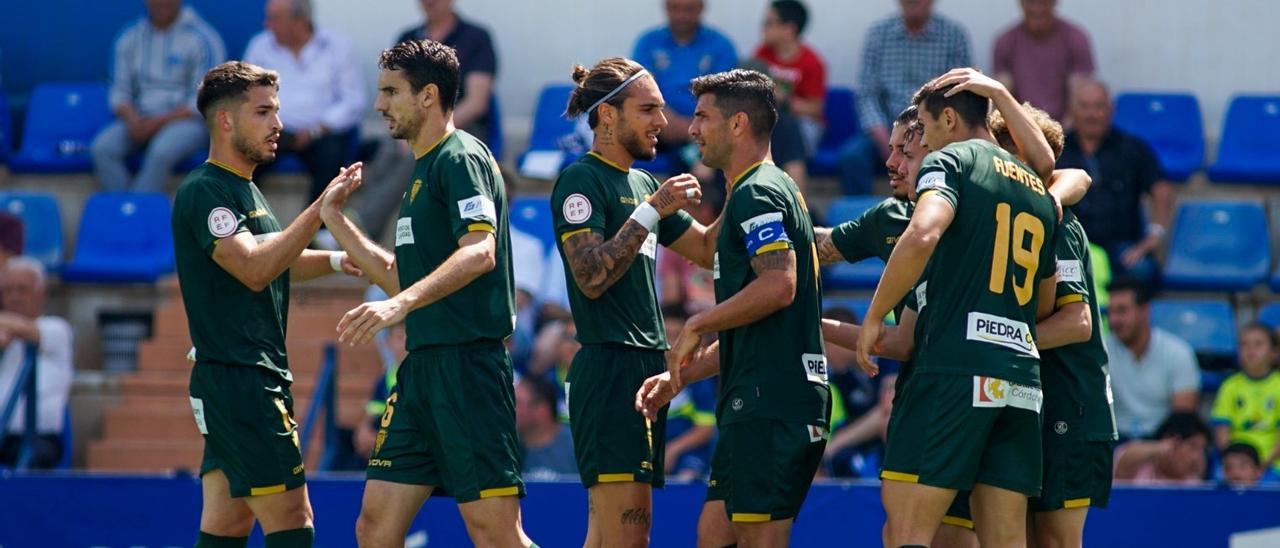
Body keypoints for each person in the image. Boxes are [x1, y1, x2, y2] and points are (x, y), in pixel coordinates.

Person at [316, 40, 534, 548]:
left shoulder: (461, 158)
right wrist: (334, 220)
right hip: (420, 375)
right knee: (374, 530)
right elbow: (401, 279)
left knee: (498, 538)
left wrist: (401, 304)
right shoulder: (422, 171)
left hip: (469, 371)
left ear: (428, 96)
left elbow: (480, 251)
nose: (378, 105)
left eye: (391, 92)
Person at [855, 71, 1059, 548]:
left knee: (907, 532)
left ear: (948, 119)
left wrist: (873, 314)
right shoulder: (1035, 185)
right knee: (1007, 541)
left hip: (957, 370)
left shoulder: (950, 161)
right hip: (1022, 379)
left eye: (924, 128)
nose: (921, 140)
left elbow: (923, 232)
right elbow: (1045, 302)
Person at [638, 68, 830, 547]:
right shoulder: (758, 187)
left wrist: (698, 323)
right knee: (714, 533)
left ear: (738, 124)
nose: (693, 128)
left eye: (703, 117)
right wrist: (679, 375)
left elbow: (780, 285)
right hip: (760, 395)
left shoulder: (758, 191)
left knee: (759, 538)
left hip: (771, 401)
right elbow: (714, 259)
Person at [175, 60, 362, 548]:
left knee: (228, 522)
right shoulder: (206, 190)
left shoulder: (245, 189)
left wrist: (342, 260)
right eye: (264, 112)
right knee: (292, 520)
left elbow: (276, 258)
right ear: (226, 120)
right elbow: (255, 269)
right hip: (242, 382)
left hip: (241, 378)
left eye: (277, 112)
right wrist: (320, 210)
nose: (279, 124)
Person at [550, 57, 718, 548]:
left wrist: (748, 175)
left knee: (611, 536)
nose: (662, 123)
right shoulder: (581, 180)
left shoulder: (644, 184)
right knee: (629, 535)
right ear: (607, 116)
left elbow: (706, 249)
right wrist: (652, 211)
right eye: (648, 109)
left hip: (644, 367)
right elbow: (591, 278)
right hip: (609, 370)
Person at [989, 102, 1116, 548]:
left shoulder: (1057, 225)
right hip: (1027, 401)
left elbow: (1076, 323)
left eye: (1000, 154)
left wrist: (995, 343)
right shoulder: (1008, 223)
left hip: (1070, 404)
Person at [91, 0, 225, 192]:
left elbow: (203, 100)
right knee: (102, 149)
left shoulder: (203, 39)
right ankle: (124, 210)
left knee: (161, 152)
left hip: (186, 122)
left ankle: (137, 214)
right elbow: (119, 91)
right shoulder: (130, 37)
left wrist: (158, 122)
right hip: (140, 118)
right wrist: (131, 119)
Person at [840, 0, 971, 195]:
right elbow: (866, 95)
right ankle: (864, 220)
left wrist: (927, 135)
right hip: (884, 130)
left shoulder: (954, 36)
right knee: (852, 158)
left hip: (934, 130)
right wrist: (889, 141)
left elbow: (959, 94)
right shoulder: (879, 35)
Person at [245, 0, 366, 203]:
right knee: (244, 152)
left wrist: (317, 129)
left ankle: (317, 228)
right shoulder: (260, 46)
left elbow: (353, 100)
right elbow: (246, 95)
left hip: (321, 133)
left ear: (299, 21)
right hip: (273, 130)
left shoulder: (337, 47)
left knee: (332, 156)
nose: (267, 24)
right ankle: (245, 222)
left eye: (275, 18)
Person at [1056, 78, 1172, 282]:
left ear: (1111, 109)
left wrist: (1154, 237)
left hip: (1122, 249)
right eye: (1084, 107)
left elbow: (1162, 190)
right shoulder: (1057, 150)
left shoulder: (1132, 148)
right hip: (1072, 247)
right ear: (1072, 110)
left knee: (1143, 269)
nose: (1091, 114)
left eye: (1099, 106)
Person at [633, 0, 739, 170]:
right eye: (675, 8)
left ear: (701, 8)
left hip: (707, 128)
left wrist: (696, 125)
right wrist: (663, 118)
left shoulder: (721, 46)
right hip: (658, 125)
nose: (681, 16)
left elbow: (724, 96)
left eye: (689, 9)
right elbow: (638, 90)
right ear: (666, 7)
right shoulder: (647, 43)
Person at [1105, 277, 1200, 439]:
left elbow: (1182, 418)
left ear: (1144, 310)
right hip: (1114, 440)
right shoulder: (1100, 352)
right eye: (1110, 312)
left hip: (1163, 442)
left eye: (1121, 311)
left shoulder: (1178, 352)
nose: (1114, 320)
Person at [0, 257, 72, 469]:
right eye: (7, 290)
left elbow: (27, 331)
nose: (14, 297)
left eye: (22, 290)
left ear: (42, 294)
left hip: (38, 440)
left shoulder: (57, 329)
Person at [395, 0, 498, 142]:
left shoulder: (475, 38)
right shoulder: (407, 39)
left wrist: (433, 129)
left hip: (461, 128)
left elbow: (476, 103)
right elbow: (393, 94)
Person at [751, 0, 825, 189]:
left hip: (800, 124)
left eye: (769, 23)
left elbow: (815, 109)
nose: (762, 28)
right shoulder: (762, 54)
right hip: (770, 122)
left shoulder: (811, 62)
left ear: (789, 29)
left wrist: (783, 100)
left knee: (786, 125)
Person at [992, 0, 1095, 121]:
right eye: (1032, 2)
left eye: (1043, 2)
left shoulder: (1075, 39)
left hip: (1066, 128)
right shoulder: (1006, 42)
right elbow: (1002, 98)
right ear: (1021, 3)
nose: (1037, 8)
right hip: (1020, 125)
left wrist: (1062, 133)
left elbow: (1079, 98)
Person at [1211, 323, 1280, 474]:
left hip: (1273, 464)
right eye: (1244, 345)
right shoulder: (1230, 386)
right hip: (1235, 462)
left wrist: (1262, 465)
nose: (1251, 350)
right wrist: (1233, 463)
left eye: (1258, 344)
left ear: (1274, 352)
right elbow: (1222, 430)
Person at [1113, 412, 1209, 484]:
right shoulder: (1139, 465)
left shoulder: (1192, 483)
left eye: (1202, 449)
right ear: (1169, 441)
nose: (1197, 457)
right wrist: (1161, 448)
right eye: (1192, 446)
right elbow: (1125, 459)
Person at [516, 375, 578, 481]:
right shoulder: (506, 447)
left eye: (517, 402)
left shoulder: (576, 445)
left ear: (542, 409)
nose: (510, 408)